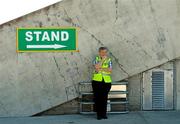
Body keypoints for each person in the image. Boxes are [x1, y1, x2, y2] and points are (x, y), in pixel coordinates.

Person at [92, 47, 112, 120]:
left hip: (106, 81)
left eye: (105, 52)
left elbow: (110, 70)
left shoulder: (109, 60)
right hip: (97, 81)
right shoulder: (96, 59)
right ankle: (99, 115)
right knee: (98, 98)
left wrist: (101, 68)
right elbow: (96, 67)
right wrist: (102, 60)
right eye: (102, 52)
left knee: (104, 98)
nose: (104, 54)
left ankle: (104, 114)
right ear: (99, 52)